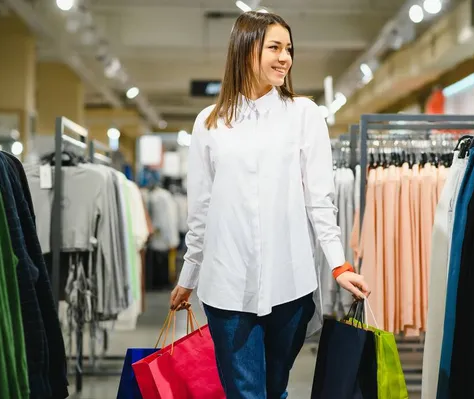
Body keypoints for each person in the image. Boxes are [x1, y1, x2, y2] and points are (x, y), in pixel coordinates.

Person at [170, 10, 370, 399]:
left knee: (275, 388)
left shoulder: (304, 115)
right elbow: (201, 210)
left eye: (289, 49)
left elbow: (320, 200)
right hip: (226, 286)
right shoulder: (209, 123)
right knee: (247, 393)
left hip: (290, 285)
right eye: (274, 48)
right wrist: (188, 275)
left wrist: (338, 264)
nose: (285, 58)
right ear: (246, 51)